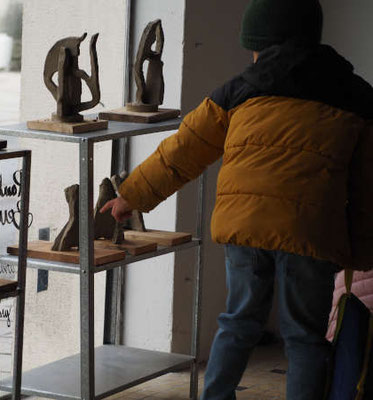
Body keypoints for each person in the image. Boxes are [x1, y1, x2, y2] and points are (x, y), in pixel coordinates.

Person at [101, 0, 373, 399]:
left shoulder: (239, 89)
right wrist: (361, 252)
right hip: (310, 230)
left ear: (264, 46)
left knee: (238, 321)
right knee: (304, 336)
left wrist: (132, 196)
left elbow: (184, 150)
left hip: (243, 225)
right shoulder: (356, 96)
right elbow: (367, 185)